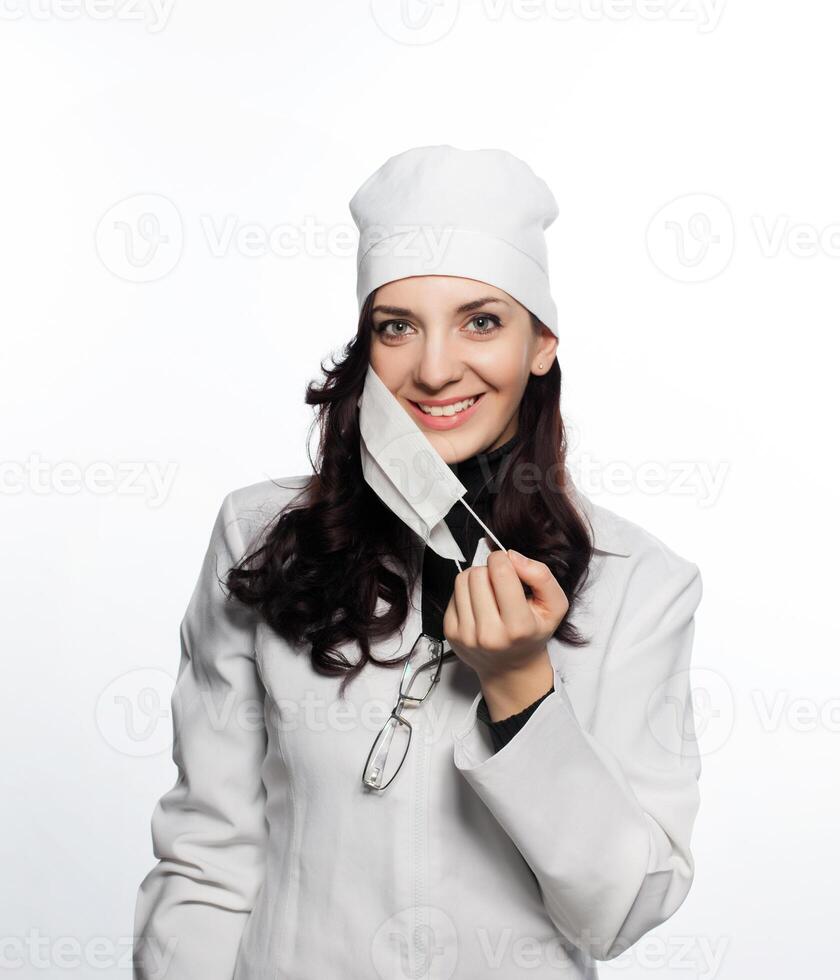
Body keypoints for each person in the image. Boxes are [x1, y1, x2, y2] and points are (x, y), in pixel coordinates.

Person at [132, 145, 704, 980]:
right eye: (397, 326)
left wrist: (519, 689)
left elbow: (617, 909)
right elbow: (208, 860)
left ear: (541, 342)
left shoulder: (640, 583)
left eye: (482, 321)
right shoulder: (260, 536)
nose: (435, 369)